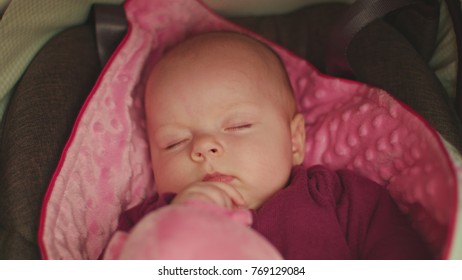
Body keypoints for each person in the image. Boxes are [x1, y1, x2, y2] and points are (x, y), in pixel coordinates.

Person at [115, 31, 432, 259]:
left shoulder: (341, 201)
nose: (204, 147)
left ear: (294, 141)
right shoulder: (147, 223)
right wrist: (182, 220)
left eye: (238, 126)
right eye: (175, 142)